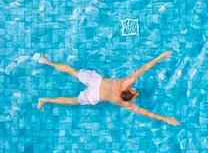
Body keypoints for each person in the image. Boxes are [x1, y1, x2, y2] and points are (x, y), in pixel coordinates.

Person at [36, 50, 179, 125]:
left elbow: (144, 68)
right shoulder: (125, 104)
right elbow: (147, 113)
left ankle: (46, 61)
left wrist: (160, 57)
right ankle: (45, 100)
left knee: (72, 72)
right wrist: (165, 118)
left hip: (96, 82)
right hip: (95, 96)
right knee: (72, 101)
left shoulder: (126, 83)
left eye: (134, 93)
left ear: (128, 90)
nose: (136, 92)